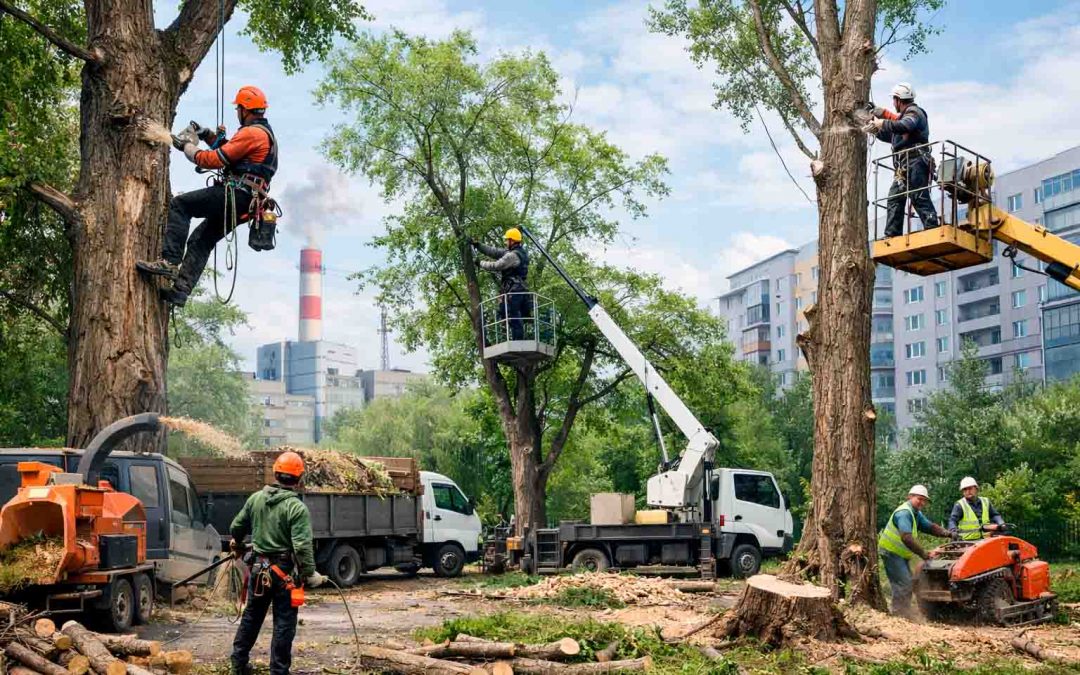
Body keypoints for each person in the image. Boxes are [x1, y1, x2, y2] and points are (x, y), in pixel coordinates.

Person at [136, 85, 278, 307]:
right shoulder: (264, 134)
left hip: (237, 195)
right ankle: (180, 291)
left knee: (181, 205)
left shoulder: (252, 133)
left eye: (238, 109)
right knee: (202, 240)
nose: (237, 113)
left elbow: (213, 160)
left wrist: (189, 148)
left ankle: (169, 261)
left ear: (245, 109)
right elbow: (231, 151)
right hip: (247, 202)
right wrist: (207, 135)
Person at [229, 451, 325, 675]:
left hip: (259, 569)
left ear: (275, 473)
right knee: (283, 624)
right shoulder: (296, 507)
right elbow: (301, 546)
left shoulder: (255, 499)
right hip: (284, 575)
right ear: (299, 478)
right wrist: (310, 573)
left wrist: (238, 542)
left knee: (251, 617)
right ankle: (279, 671)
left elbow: (236, 527)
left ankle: (238, 665)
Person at [870, 82, 939, 238]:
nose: (893, 103)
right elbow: (894, 136)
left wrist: (884, 122)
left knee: (918, 196)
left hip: (916, 161)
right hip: (904, 165)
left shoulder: (915, 112)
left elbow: (905, 125)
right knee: (894, 198)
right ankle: (892, 234)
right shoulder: (902, 120)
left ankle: (932, 228)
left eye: (894, 100)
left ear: (898, 100)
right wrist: (876, 129)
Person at [877, 484, 954, 618]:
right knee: (904, 583)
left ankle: (903, 613)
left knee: (908, 582)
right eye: (919, 499)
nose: (922, 502)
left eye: (924, 500)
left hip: (900, 554)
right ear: (910, 497)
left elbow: (929, 527)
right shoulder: (904, 513)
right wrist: (924, 554)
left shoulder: (916, 514)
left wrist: (948, 534)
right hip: (891, 553)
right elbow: (906, 537)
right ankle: (899, 615)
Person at [472, 227, 531, 340]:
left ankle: (517, 342)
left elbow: (496, 266)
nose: (505, 242)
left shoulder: (512, 256)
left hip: (515, 289)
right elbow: (493, 251)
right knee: (507, 313)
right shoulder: (516, 253)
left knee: (513, 315)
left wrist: (481, 263)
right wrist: (478, 245)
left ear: (512, 241)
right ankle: (516, 339)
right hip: (518, 288)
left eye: (506, 240)